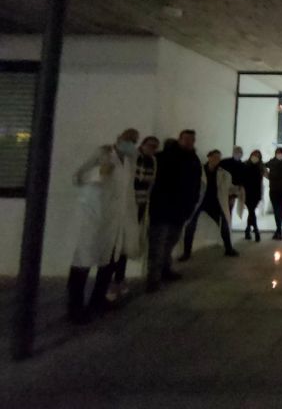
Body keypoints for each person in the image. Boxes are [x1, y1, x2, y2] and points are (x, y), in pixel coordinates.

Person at [67, 128, 139, 323]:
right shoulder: (101, 154)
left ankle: (98, 301)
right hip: (94, 216)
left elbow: (127, 193)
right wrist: (99, 172)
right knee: (83, 260)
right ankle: (74, 309)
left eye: (134, 140)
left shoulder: (129, 163)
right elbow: (77, 177)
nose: (130, 143)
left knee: (108, 262)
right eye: (128, 139)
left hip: (115, 220)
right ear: (118, 138)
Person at [147, 129, 203, 292]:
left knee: (169, 243)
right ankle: (153, 278)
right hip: (162, 209)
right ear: (179, 139)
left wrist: (190, 205)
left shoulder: (193, 159)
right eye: (186, 139)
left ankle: (165, 270)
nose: (189, 142)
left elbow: (196, 184)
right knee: (158, 244)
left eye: (191, 140)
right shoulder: (163, 157)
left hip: (180, 210)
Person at [109, 135, 159, 302]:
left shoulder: (152, 161)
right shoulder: (131, 159)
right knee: (117, 245)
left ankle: (119, 279)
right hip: (126, 208)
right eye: (149, 145)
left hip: (140, 207)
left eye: (154, 147)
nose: (151, 149)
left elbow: (149, 183)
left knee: (125, 246)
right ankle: (111, 282)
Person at [181, 150, 239, 259]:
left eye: (218, 158)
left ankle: (228, 248)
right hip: (199, 202)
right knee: (190, 226)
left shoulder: (224, 174)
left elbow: (229, 187)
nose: (216, 160)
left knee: (224, 224)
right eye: (214, 157)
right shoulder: (198, 170)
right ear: (209, 157)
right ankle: (186, 253)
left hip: (215, 202)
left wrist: (235, 194)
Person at [265, 147, 282, 240]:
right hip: (274, 190)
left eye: (281, 153)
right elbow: (262, 166)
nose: (279, 154)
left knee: (281, 209)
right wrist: (268, 176)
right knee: (276, 210)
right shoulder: (271, 162)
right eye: (278, 152)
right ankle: (279, 230)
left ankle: (278, 230)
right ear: (275, 153)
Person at [242, 150, 266, 242]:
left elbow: (267, 175)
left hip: (256, 192)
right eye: (254, 155)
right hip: (247, 192)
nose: (255, 157)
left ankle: (248, 229)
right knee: (251, 211)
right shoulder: (245, 164)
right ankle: (256, 231)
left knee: (251, 211)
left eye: (257, 156)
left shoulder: (261, 166)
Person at [219, 146, 247, 227]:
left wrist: (237, 192)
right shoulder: (224, 162)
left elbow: (243, 179)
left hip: (234, 190)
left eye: (240, 152)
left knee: (229, 209)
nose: (238, 154)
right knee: (222, 210)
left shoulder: (242, 165)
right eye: (236, 152)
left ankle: (227, 226)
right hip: (223, 189)